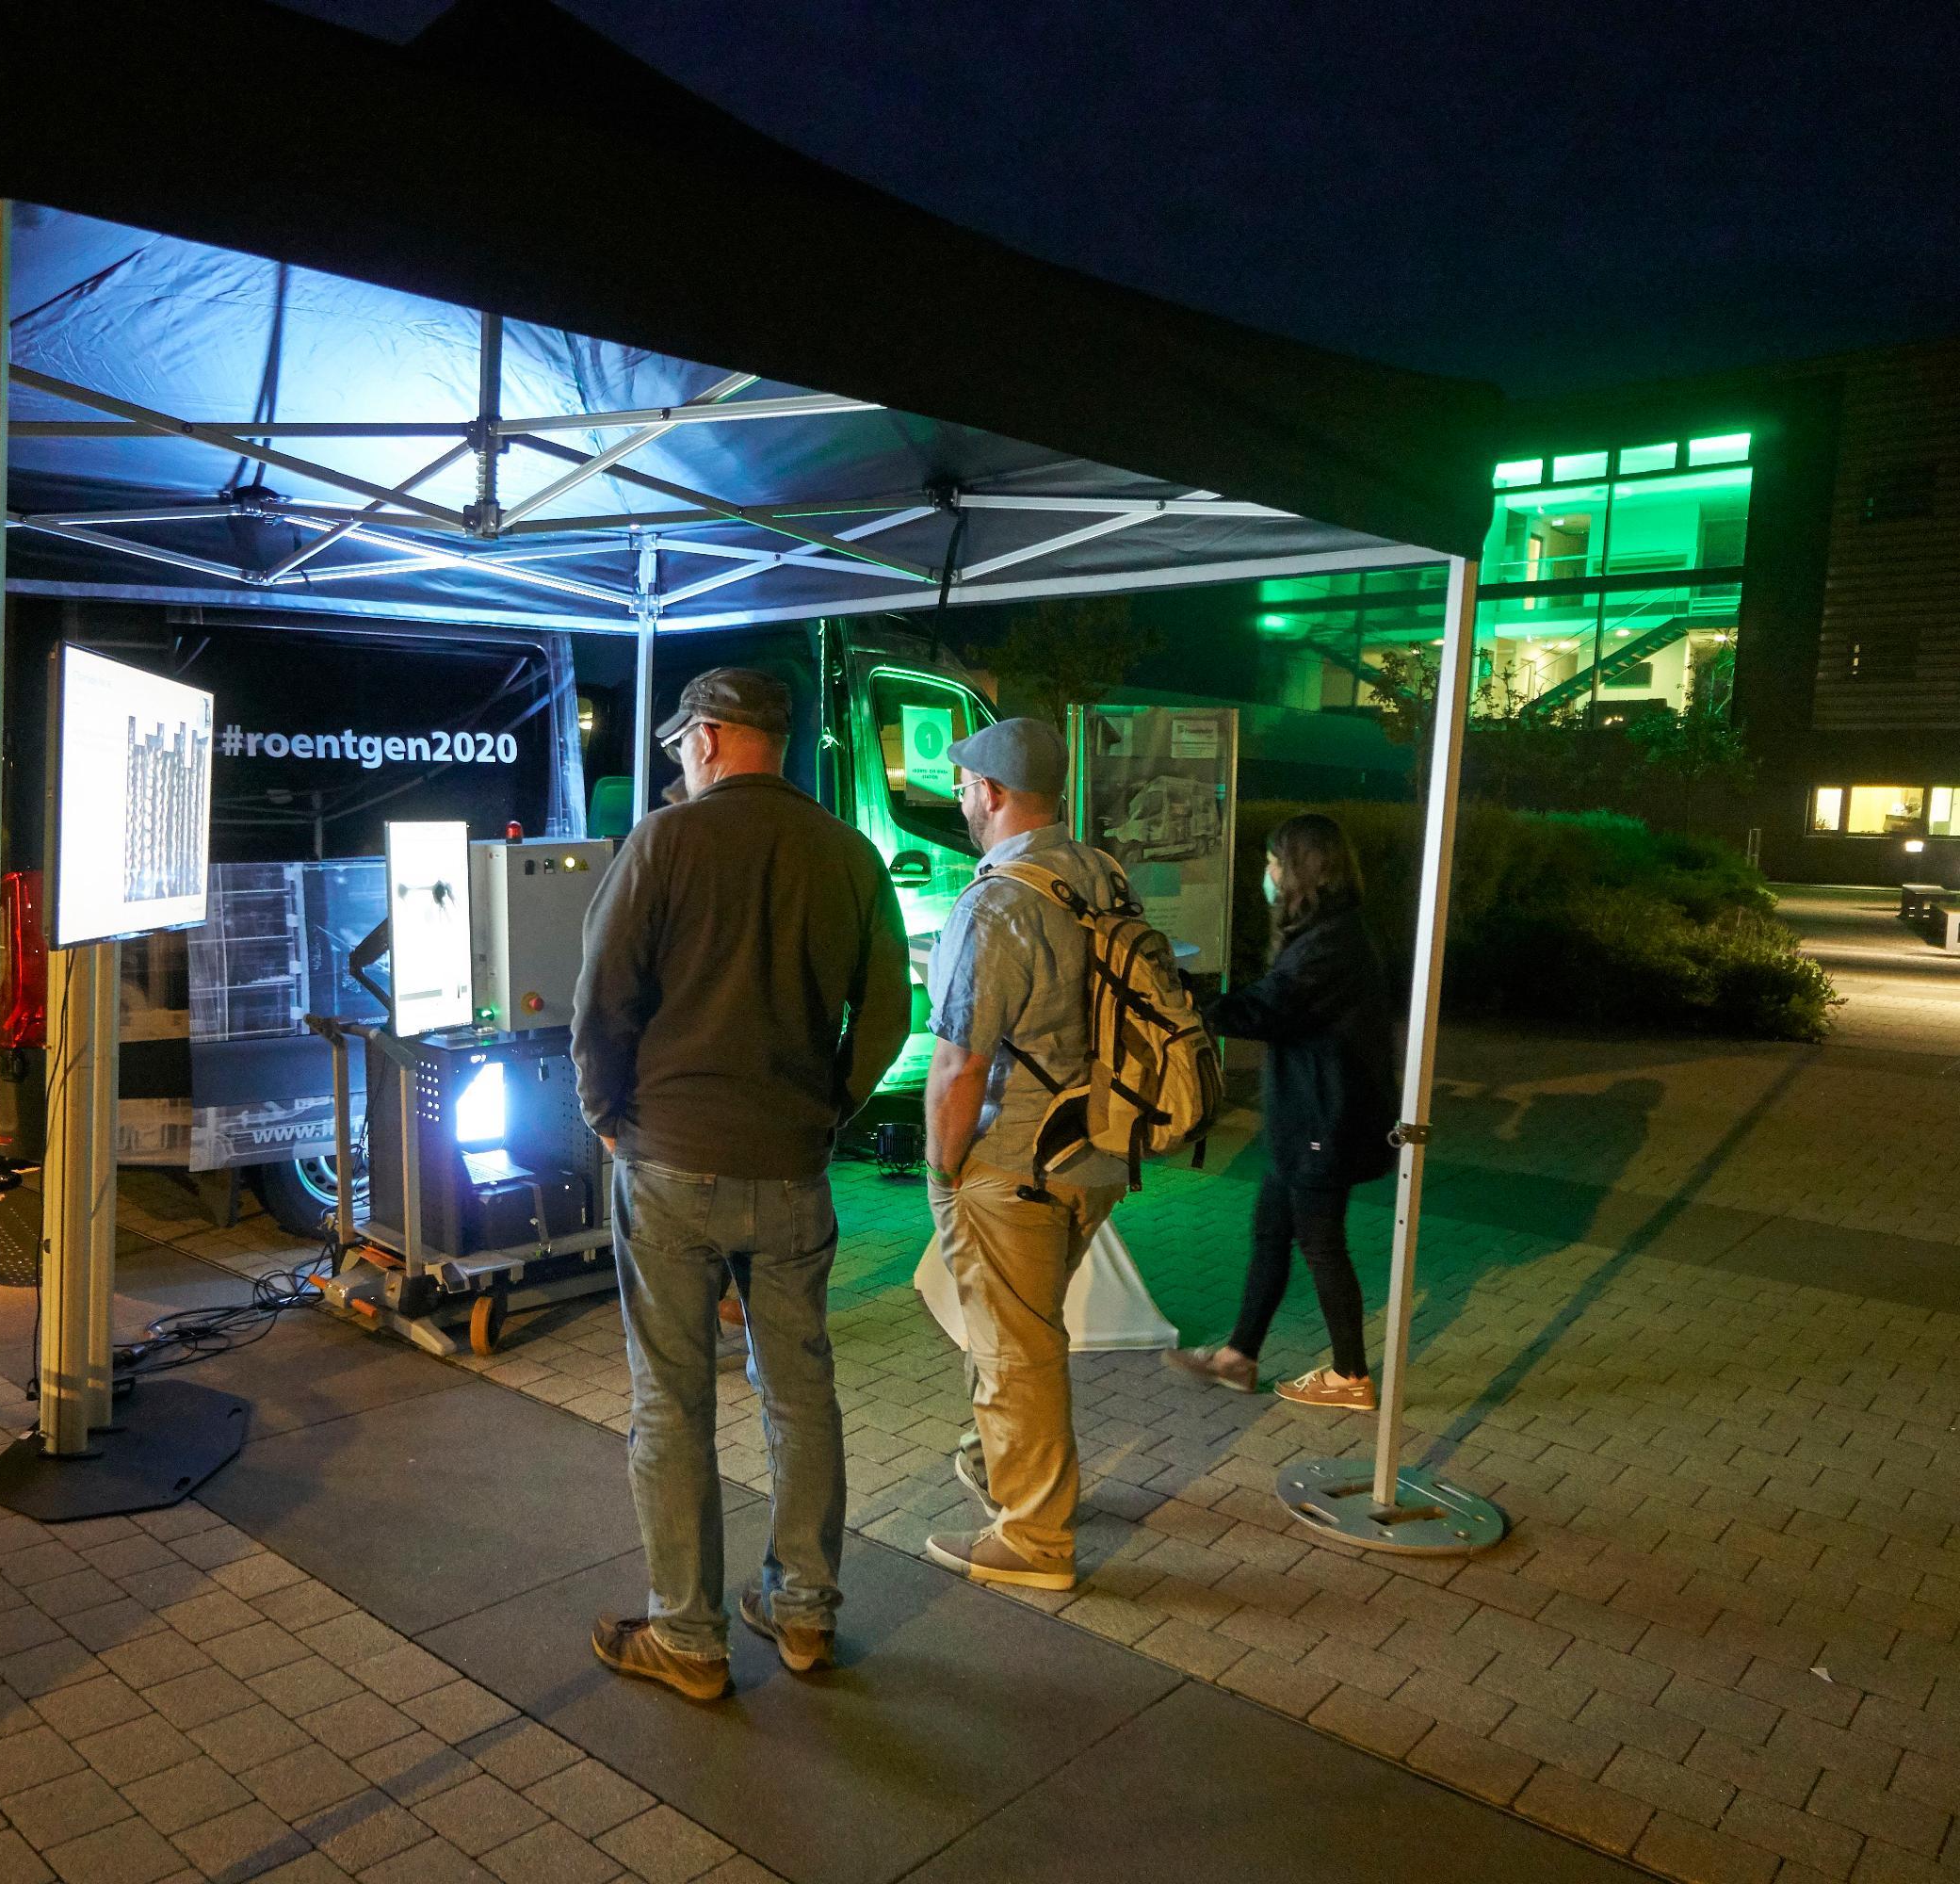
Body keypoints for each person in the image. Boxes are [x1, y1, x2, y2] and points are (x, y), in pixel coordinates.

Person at [571, 666, 912, 1698]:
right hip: (792, 1167)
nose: (679, 760)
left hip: (669, 1155)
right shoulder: (852, 854)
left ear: (713, 739)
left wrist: (607, 1113)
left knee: (671, 1400)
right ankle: (802, 1613)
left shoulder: (664, 843)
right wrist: (828, 1109)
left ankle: (689, 1634)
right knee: (801, 1392)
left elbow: (602, 998)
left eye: (683, 744)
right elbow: (888, 1016)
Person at [919, 717, 1128, 1592]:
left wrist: (942, 1167)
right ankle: (1002, 1467)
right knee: (1024, 1329)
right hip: (1098, 1151)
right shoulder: (1100, 876)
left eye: (966, 785)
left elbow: (962, 1062)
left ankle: (1034, 1539)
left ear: (994, 794)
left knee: (1017, 1351)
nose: (962, 798)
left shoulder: (995, 902)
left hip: (1015, 1158)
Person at [1168, 812, 1398, 1409]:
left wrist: (1187, 996)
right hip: (1305, 1121)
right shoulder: (1324, 933)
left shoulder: (1332, 944)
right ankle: (1238, 1357)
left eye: (1274, 863)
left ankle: (1351, 1376)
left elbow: (1266, 1011)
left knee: (1321, 1245)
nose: (1266, 875)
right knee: (1271, 1232)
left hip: (1325, 1121)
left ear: (1300, 870)